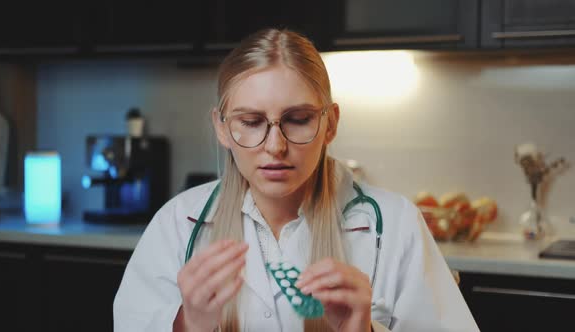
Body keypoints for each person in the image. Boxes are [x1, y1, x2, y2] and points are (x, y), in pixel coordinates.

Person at [113, 28, 479, 332]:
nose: (275, 146)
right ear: (222, 128)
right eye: (251, 122)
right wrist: (186, 325)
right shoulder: (178, 224)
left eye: (298, 119)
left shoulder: (396, 226)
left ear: (330, 124)